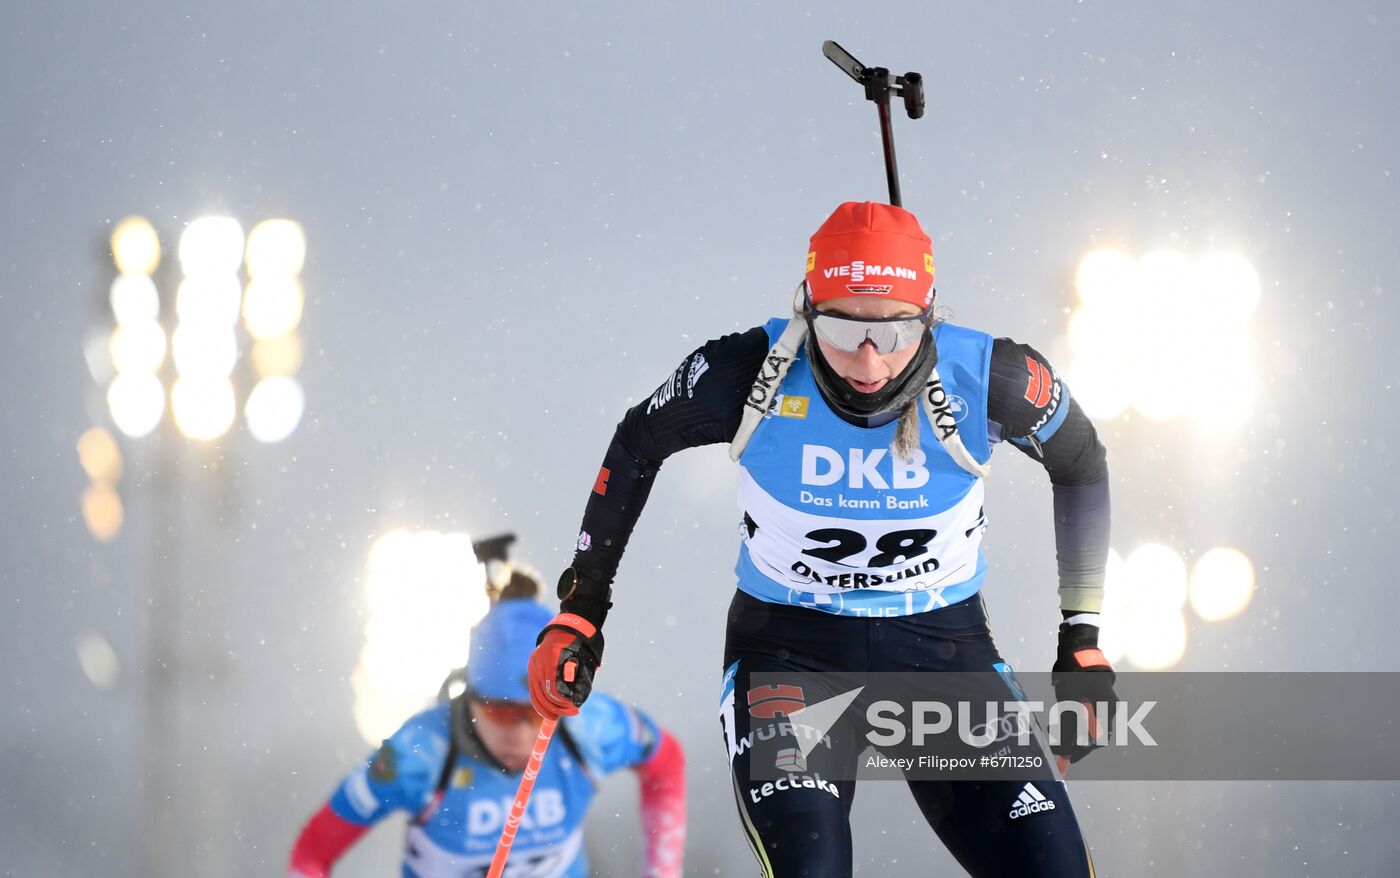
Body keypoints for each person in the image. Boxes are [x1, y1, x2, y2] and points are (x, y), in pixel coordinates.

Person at [527, 201, 1117, 876]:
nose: (868, 360)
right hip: (791, 656)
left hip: (941, 657)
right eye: (839, 328)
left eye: (894, 333)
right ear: (807, 310)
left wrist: (1082, 638)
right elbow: (638, 440)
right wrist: (583, 605)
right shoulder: (747, 372)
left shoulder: (991, 376)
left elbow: (1081, 463)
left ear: (927, 316)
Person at [289, 568, 687, 878]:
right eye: (501, 712)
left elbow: (666, 762)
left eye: (535, 712)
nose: (519, 731)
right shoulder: (420, 751)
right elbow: (314, 851)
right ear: (471, 698)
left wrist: (662, 870)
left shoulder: (588, 726)